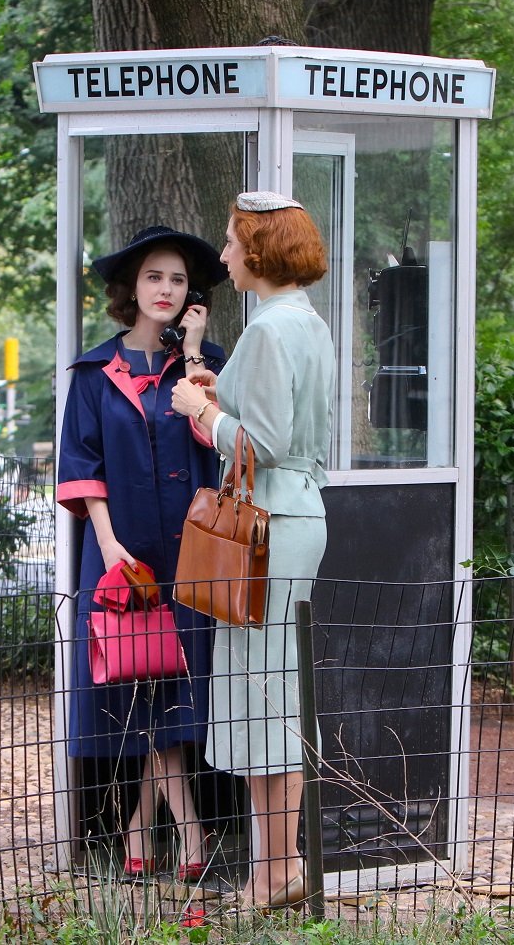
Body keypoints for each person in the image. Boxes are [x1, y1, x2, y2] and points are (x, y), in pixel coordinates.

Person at [171, 192, 335, 908]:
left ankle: (278, 871)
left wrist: (200, 410)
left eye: (233, 242)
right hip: (289, 514)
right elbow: (280, 426)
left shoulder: (269, 329)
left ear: (260, 250)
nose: (225, 255)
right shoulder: (304, 321)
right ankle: (279, 869)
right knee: (274, 695)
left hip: (266, 524)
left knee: (267, 697)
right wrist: (222, 395)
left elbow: (259, 443)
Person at [57, 225, 229, 881]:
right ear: (131, 288)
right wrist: (108, 544)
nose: (166, 288)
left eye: (179, 279)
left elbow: (214, 439)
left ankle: (141, 830)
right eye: (155, 276)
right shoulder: (94, 374)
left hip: (190, 553)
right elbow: (82, 465)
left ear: (192, 297)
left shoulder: (203, 364)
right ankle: (188, 835)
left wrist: (189, 350)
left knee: (173, 692)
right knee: (140, 687)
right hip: (121, 553)